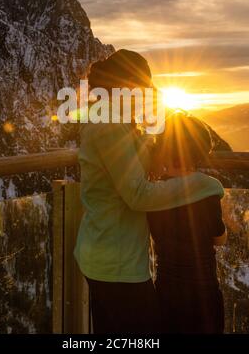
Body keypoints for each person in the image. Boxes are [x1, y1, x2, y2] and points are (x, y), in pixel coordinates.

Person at [74, 49, 224, 334]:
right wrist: (199, 183)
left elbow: (127, 162)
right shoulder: (109, 125)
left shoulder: (115, 121)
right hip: (116, 262)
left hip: (109, 253)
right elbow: (138, 195)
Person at [148, 111, 226, 333]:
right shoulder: (208, 189)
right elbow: (219, 238)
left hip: (166, 290)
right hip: (204, 289)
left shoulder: (152, 193)